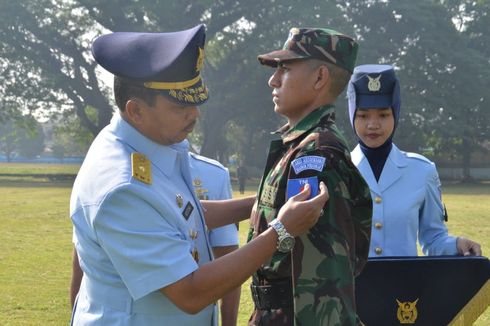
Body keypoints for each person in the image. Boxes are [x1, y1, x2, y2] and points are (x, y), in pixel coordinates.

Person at [69, 24, 328, 326]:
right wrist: (282, 230)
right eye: (181, 105)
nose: (194, 114)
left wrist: (260, 202)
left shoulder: (149, 144)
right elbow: (189, 292)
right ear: (136, 110)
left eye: (195, 100)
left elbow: (177, 216)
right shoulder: (121, 185)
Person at [247, 27, 373, 325]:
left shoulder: (318, 156)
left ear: (320, 78)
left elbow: (321, 284)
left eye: (285, 68)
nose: (273, 80)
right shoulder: (301, 147)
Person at [70, 151, 242, 326]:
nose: (191, 121)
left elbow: (225, 249)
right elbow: (82, 260)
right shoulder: (114, 170)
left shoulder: (212, 174)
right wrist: (272, 231)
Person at [346, 64, 482, 257]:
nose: (373, 124)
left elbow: (433, 239)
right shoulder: (339, 169)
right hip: (352, 287)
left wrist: (457, 244)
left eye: (384, 115)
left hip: (404, 285)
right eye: (363, 115)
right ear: (352, 116)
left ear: (396, 114)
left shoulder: (422, 171)